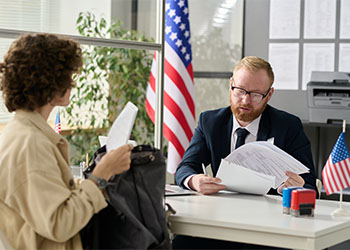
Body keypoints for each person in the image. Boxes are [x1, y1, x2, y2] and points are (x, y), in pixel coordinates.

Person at [0, 33, 133, 249]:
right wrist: (101, 176)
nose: (72, 83)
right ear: (50, 82)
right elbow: (60, 223)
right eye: (67, 76)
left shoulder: (21, 134)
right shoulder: (31, 144)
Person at [173, 56, 317, 249]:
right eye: (240, 91)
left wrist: (291, 189)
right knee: (182, 242)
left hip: (268, 225)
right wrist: (194, 181)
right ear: (231, 85)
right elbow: (185, 168)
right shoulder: (210, 122)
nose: (245, 100)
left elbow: (308, 184)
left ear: (269, 94)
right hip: (219, 220)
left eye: (256, 94)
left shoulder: (288, 126)